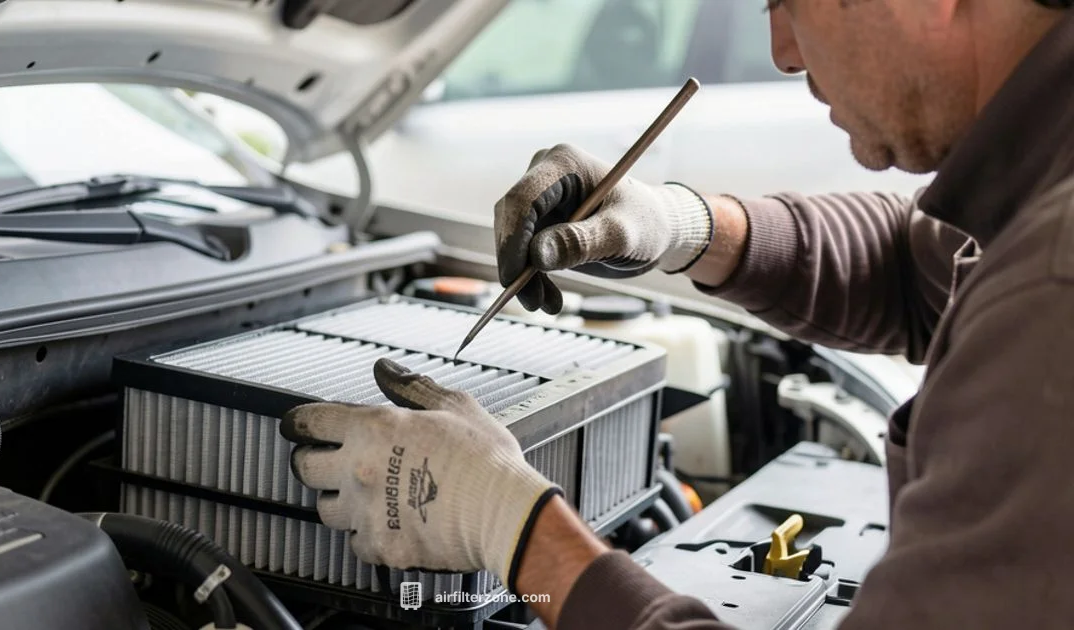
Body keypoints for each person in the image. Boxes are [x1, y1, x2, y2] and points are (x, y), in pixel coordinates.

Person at [281, 0, 1074, 627]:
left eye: (785, 2)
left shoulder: (1052, 296)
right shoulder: (1041, 189)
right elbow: (914, 269)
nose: (782, 52)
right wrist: (677, 225)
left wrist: (511, 529)